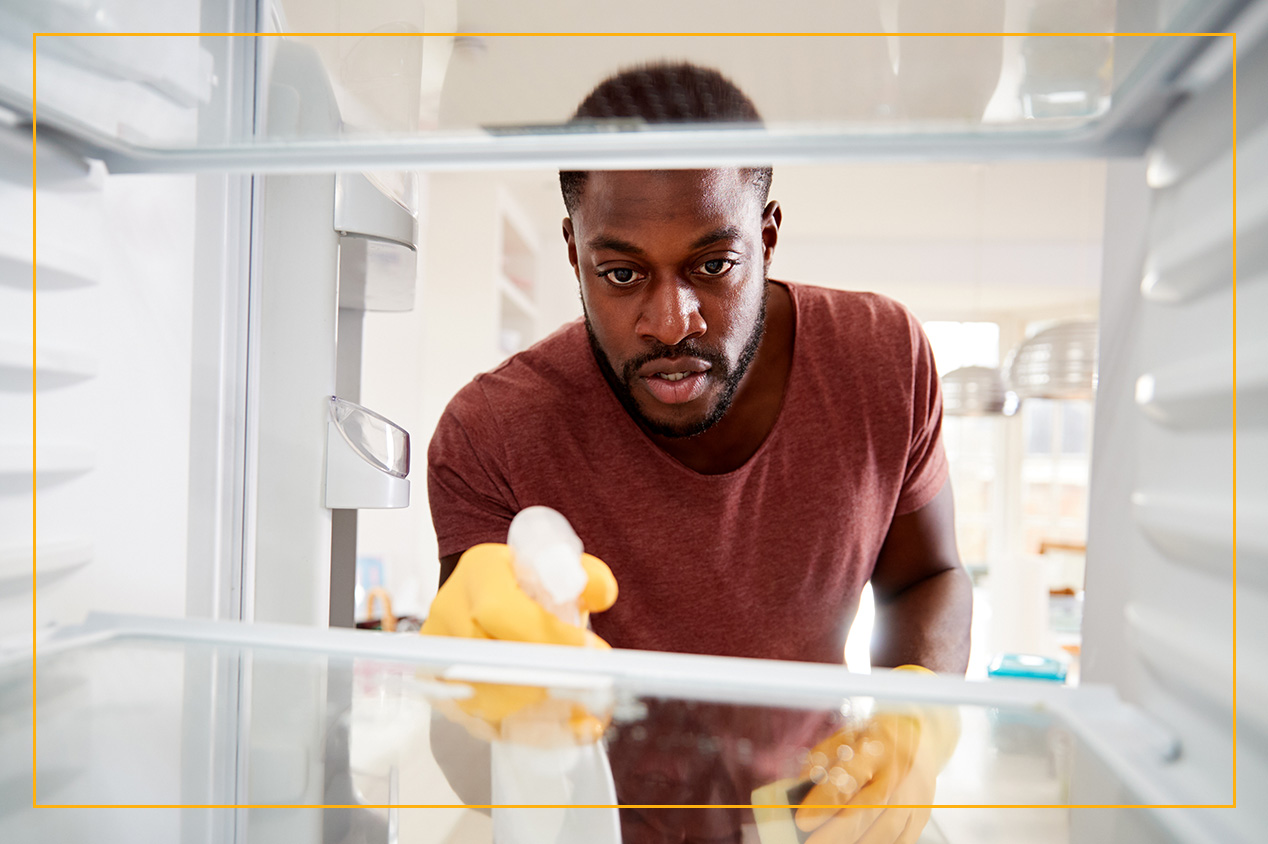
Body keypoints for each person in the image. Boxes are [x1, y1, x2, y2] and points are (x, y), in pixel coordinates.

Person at [423, 62, 971, 843]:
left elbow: (931, 576)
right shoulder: (491, 433)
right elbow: (479, 751)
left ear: (768, 235)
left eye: (714, 265)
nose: (672, 322)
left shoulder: (883, 360)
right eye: (622, 273)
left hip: (814, 820)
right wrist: (465, 694)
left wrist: (920, 713)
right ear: (575, 253)